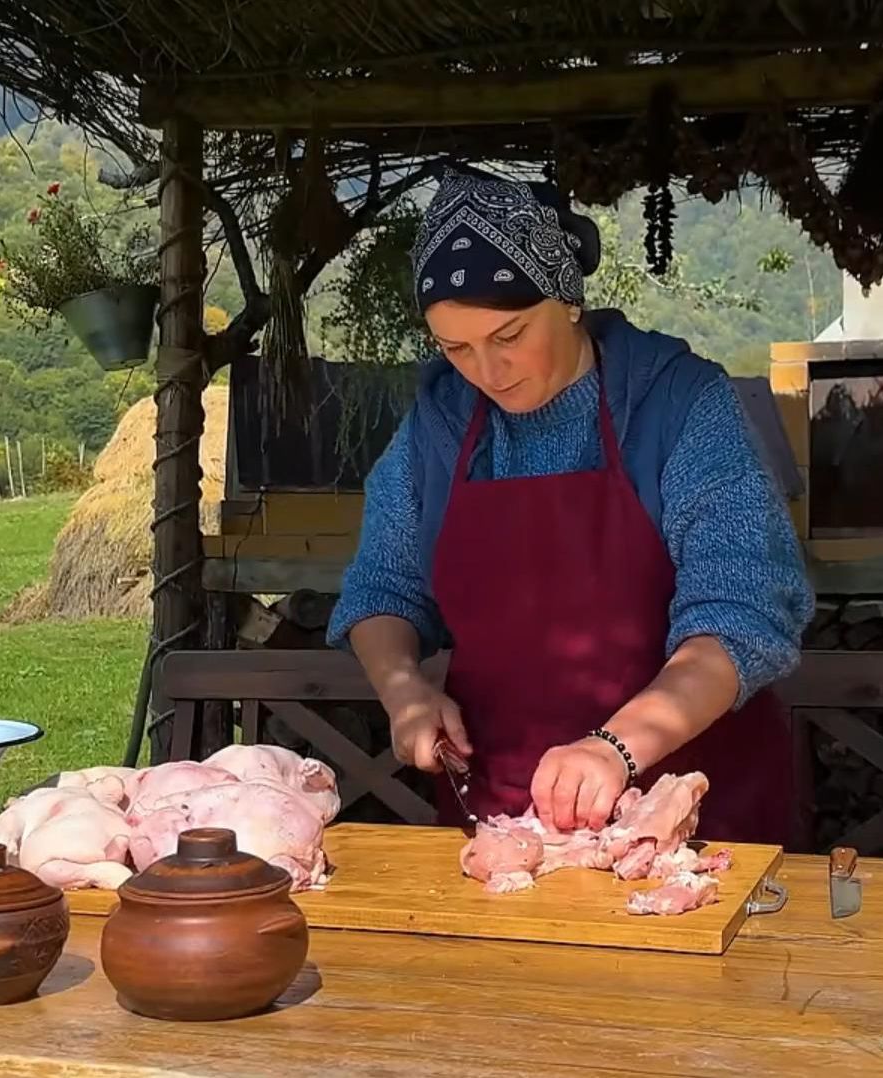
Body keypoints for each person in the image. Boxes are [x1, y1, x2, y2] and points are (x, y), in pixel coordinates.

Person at [326, 168, 814, 846]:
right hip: (503, 823)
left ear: (569, 299)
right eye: (455, 348)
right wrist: (404, 688)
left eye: (510, 335)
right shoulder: (440, 425)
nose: (488, 373)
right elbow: (382, 588)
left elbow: (742, 614)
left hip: (690, 820)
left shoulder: (677, 406)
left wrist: (616, 747)